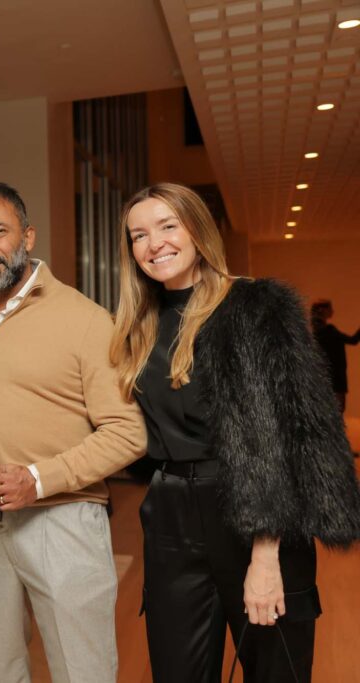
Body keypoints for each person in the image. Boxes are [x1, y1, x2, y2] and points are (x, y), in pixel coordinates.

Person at [111, 182, 360, 683]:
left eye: (167, 226)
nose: (153, 244)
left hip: (258, 518)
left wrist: (265, 556)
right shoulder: (139, 325)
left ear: (197, 230)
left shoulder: (256, 307)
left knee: (275, 673)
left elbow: (291, 434)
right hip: (171, 520)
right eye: (138, 235)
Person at [0, 182, 147, 683]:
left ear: (28, 236)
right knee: (1, 668)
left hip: (62, 517)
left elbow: (127, 433)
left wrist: (37, 480)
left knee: (83, 670)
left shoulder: (86, 319)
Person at [310, 299, 360, 414]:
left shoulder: (317, 334)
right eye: (330, 308)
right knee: (338, 409)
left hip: (326, 375)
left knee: (329, 410)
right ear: (323, 311)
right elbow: (353, 340)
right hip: (337, 376)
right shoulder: (330, 331)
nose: (332, 311)